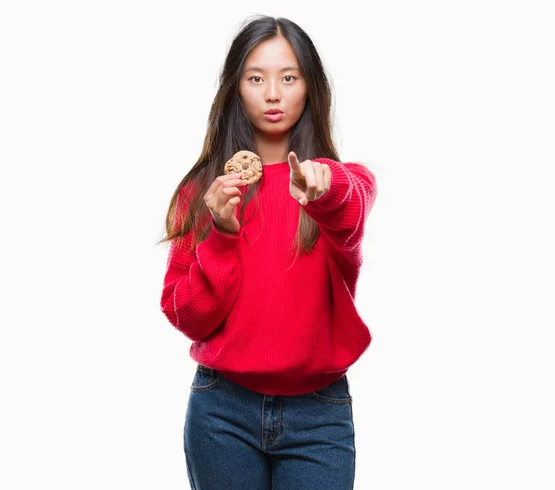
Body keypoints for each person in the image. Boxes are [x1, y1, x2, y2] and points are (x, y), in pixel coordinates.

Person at [157, 14, 377, 490]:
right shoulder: (205, 193)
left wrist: (327, 186)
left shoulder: (342, 183)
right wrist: (221, 232)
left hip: (320, 415)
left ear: (310, 87)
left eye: (289, 77)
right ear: (235, 88)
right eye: (256, 78)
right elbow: (187, 316)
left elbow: (353, 209)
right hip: (222, 411)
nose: (273, 94)